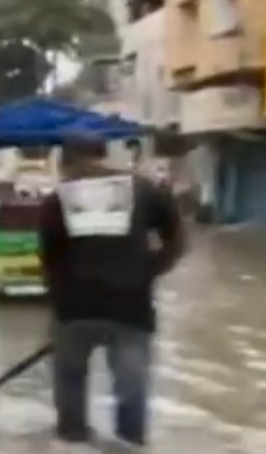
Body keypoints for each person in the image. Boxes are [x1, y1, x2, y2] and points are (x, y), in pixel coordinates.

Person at [38, 134, 187, 448]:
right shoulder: (144, 189)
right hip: (130, 306)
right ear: (105, 154)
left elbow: (48, 258)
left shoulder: (59, 198)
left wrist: (58, 298)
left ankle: (73, 440)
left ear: (67, 161)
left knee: (69, 384)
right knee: (131, 387)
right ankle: (129, 443)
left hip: (74, 309)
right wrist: (149, 270)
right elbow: (177, 238)